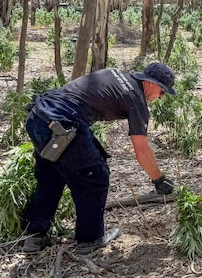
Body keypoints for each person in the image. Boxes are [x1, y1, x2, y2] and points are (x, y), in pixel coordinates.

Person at [21, 63, 178, 255]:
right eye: (162, 92)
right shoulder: (136, 98)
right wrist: (159, 180)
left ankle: (34, 236)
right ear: (151, 83)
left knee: (51, 176)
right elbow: (142, 149)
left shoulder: (117, 75)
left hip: (39, 115)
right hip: (63, 124)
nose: (160, 97)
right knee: (94, 178)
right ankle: (90, 240)